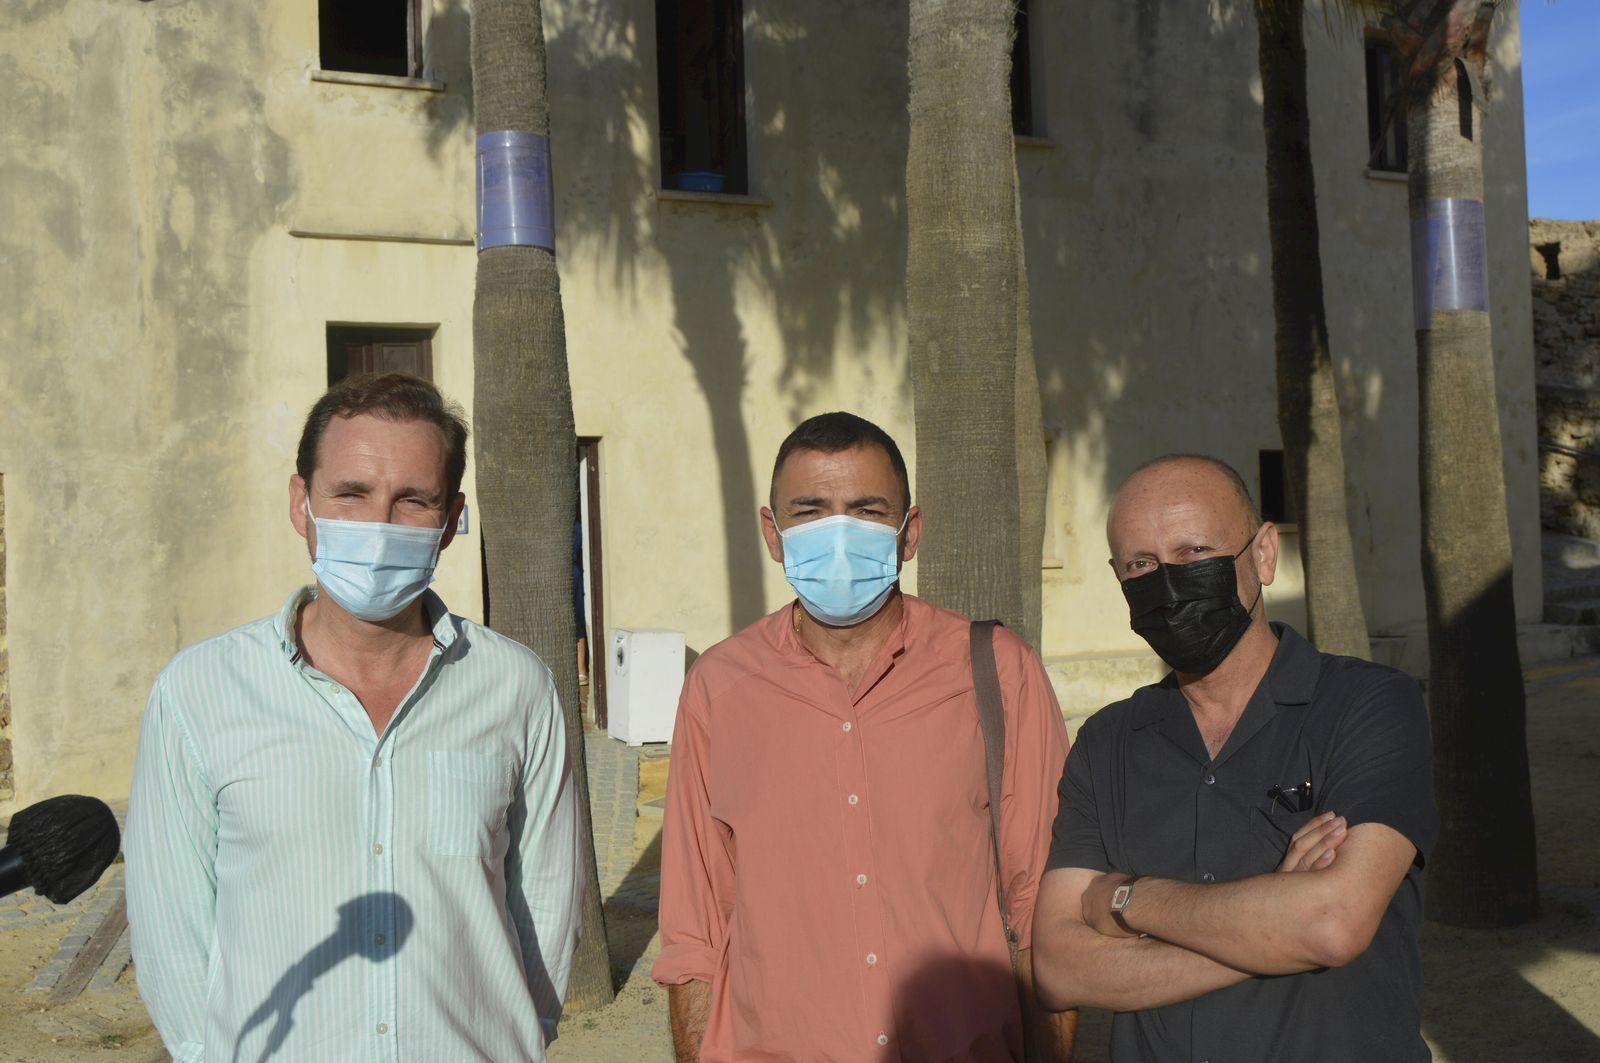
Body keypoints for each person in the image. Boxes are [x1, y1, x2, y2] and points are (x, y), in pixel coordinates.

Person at [125, 373, 583, 1062]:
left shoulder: (515, 687)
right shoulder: (199, 693)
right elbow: (171, 928)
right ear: (300, 503)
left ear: (451, 517)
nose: (378, 525)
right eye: (351, 493)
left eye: (412, 500)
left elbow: (545, 903)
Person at [653, 411, 1074, 1062]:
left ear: (910, 534)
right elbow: (695, 931)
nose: (839, 532)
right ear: (774, 533)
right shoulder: (720, 688)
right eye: (812, 510)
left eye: (867, 510)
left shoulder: (996, 673)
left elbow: (1044, 907)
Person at [1032, 454, 1438, 1061]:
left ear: (1264, 554)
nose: (1167, 581)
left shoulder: (1369, 704)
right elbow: (1060, 968)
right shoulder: (1107, 741)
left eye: (1195, 552)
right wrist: (1273, 925)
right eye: (1141, 564)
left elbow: (1332, 923)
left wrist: (1125, 898)